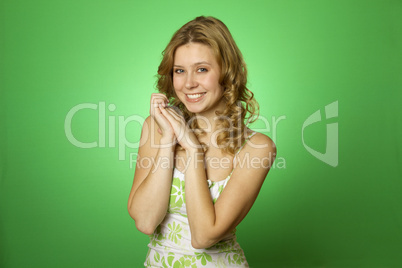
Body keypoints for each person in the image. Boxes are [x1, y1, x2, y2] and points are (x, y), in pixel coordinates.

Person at [127, 16, 276, 267]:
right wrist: (168, 140)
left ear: (226, 73)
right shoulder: (156, 128)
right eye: (180, 71)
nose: (189, 83)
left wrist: (193, 149)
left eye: (202, 69)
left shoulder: (256, 147)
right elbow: (145, 221)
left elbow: (205, 235)